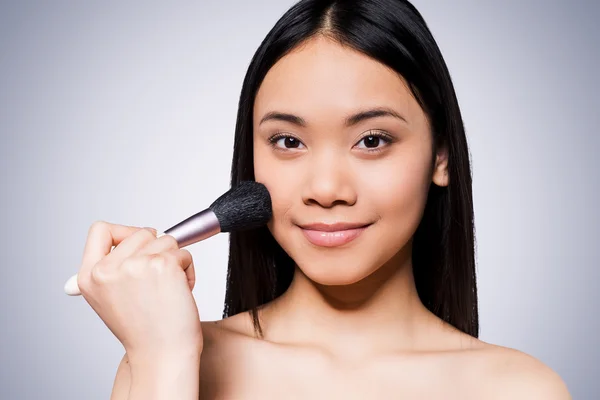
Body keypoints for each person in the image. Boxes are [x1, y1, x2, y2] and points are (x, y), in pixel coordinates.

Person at [73, 0, 571, 398]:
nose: (326, 190)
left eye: (372, 140)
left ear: (440, 156)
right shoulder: (171, 359)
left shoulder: (519, 389)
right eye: (288, 142)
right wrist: (165, 360)